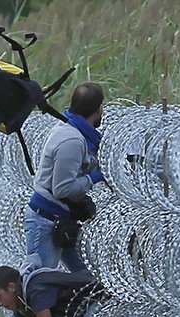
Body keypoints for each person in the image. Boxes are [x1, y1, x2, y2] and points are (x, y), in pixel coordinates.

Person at [24, 81, 106, 272]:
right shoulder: (72, 140)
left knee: (87, 279)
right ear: (99, 108)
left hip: (61, 220)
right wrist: (95, 178)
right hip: (46, 221)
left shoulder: (74, 132)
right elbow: (62, 189)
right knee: (39, 282)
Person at [0, 255, 101, 317]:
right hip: (85, 315)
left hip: (98, 305)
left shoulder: (34, 288)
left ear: (11, 287)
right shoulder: (24, 296)